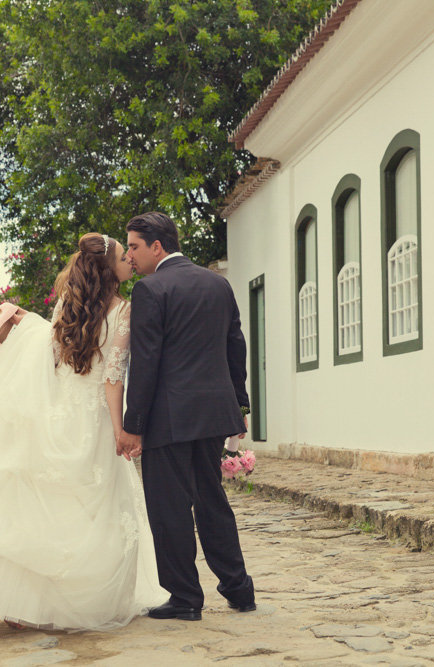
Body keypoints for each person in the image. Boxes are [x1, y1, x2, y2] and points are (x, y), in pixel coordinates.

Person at [0, 232, 166, 632]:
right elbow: (113, 376)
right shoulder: (125, 311)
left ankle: (25, 604)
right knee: (93, 510)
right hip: (96, 417)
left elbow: (50, 355)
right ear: (109, 269)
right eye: (123, 255)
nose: (129, 261)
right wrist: (122, 429)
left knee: (41, 506)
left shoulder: (70, 305)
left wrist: (24, 322)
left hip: (59, 415)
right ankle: (74, 604)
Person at [117, 212, 256, 622]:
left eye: (135, 246)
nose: (130, 254)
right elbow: (236, 347)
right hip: (214, 413)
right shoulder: (219, 283)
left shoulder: (150, 289)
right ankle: (239, 589)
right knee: (212, 502)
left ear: (157, 246)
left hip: (169, 418)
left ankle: (185, 598)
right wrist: (240, 406)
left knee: (169, 509)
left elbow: (146, 362)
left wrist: (132, 425)